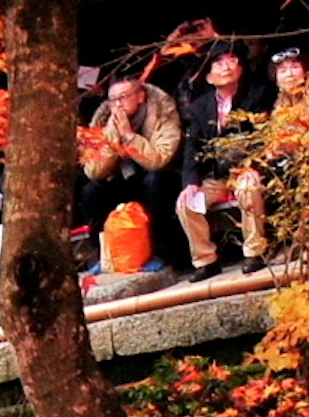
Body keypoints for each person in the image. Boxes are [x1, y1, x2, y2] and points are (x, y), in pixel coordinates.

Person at [174, 45, 275, 267]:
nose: (227, 67)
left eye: (232, 61)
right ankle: (205, 260)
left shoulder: (257, 94)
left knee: (248, 188)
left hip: (249, 167)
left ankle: (254, 252)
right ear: (209, 77)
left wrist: (254, 165)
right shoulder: (200, 107)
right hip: (218, 174)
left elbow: (264, 135)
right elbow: (193, 147)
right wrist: (191, 183)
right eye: (219, 63)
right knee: (186, 202)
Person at [79, 72, 188, 272]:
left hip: (162, 178)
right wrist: (112, 136)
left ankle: (159, 252)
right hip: (124, 181)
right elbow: (93, 170)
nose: (117, 105)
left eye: (124, 97)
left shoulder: (162, 112)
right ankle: (106, 256)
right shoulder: (103, 121)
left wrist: (129, 136)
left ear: (140, 96)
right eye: (113, 100)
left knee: (155, 182)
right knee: (91, 192)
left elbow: (159, 160)